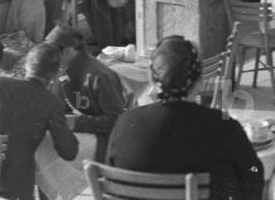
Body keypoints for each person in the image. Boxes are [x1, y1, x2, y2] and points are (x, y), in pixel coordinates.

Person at [106, 36, 263, 199]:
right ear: (199, 79)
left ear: (152, 79)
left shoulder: (125, 123)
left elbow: (111, 181)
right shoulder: (223, 127)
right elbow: (253, 172)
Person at [0, 43, 78, 200]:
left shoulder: (0, 83)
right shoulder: (52, 103)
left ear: (27, 66)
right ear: (54, 74)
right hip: (12, 183)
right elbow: (68, 152)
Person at [46, 26, 128, 161]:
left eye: (50, 53)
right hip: (80, 131)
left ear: (67, 50)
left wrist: (75, 122)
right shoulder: (63, 68)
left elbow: (116, 120)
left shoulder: (100, 76)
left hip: (103, 140)